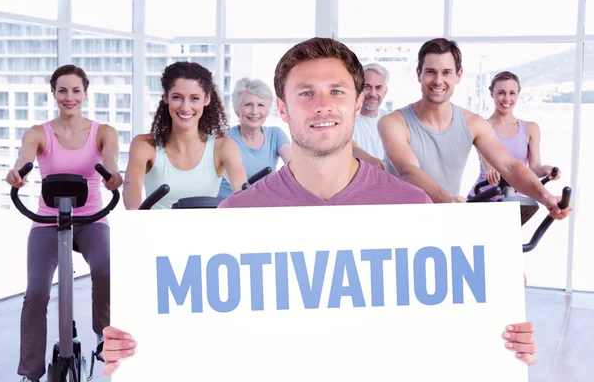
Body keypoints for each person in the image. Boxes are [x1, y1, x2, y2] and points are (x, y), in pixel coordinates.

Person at [101, 38, 538, 375]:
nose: (324, 104)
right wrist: (140, 344)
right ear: (284, 111)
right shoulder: (236, 217)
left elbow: (444, 331)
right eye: (306, 93)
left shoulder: (410, 206)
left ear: (356, 103)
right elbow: (201, 339)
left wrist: (499, 330)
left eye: (336, 91)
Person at [5, 64, 123, 382]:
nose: (69, 97)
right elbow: (24, 159)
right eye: (62, 91)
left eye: (75, 90)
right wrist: (18, 174)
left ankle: (103, 334)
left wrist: (112, 177)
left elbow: (110, 160)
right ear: (54, 93)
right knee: (36, 293)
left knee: (105, 269)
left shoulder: (103, 132)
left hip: (91, 219)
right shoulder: (38, 132)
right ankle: (30, 372)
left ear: (85, 93)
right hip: (47, 221)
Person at [378, 38, 571, 221]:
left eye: (446, 72)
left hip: (443, 222)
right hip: (398, 225)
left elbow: (510, 167)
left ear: (458, 75)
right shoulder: (392, 122)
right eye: (430, 72)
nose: (438, 80)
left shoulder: (474, 123)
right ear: (418, 73)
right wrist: (445, 198)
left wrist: (547, 199)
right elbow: (408, 170)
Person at [122, 61, 247, 210]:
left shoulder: (224, 147)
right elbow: (131, 191)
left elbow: (244, 197)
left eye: (194, 98)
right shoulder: (144, 145)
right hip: (156, 231)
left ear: (206, 99)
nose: (185, 107)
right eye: (177, 97)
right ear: (166, 97)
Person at [468, 71, 560, 200]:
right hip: (483, 196)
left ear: (517, 95)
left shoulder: (530, 128)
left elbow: (533, 169)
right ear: (491, 94)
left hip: (514, 200)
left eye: (512, 93)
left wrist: (546, 170)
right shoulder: (482, 126)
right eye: (501, 93)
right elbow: (487, 163)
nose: (507, 98)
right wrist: (490, 170)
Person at [216, 77, 292, 200]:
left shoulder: (276, 134)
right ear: (237, 110)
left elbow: (294, 168)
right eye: (248, 105)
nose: (255, 111)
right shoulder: (223, 138)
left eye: (261, 105)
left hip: (261, 204)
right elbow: (239, 187)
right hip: (228, 206)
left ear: (267, 110)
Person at [351, 63, 390, 169]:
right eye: (367, 87)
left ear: (385, 91)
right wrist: (375, 163)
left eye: (378, 88)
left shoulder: (392, 120)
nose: (373, 94)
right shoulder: (347, 119)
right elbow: (352, 148)